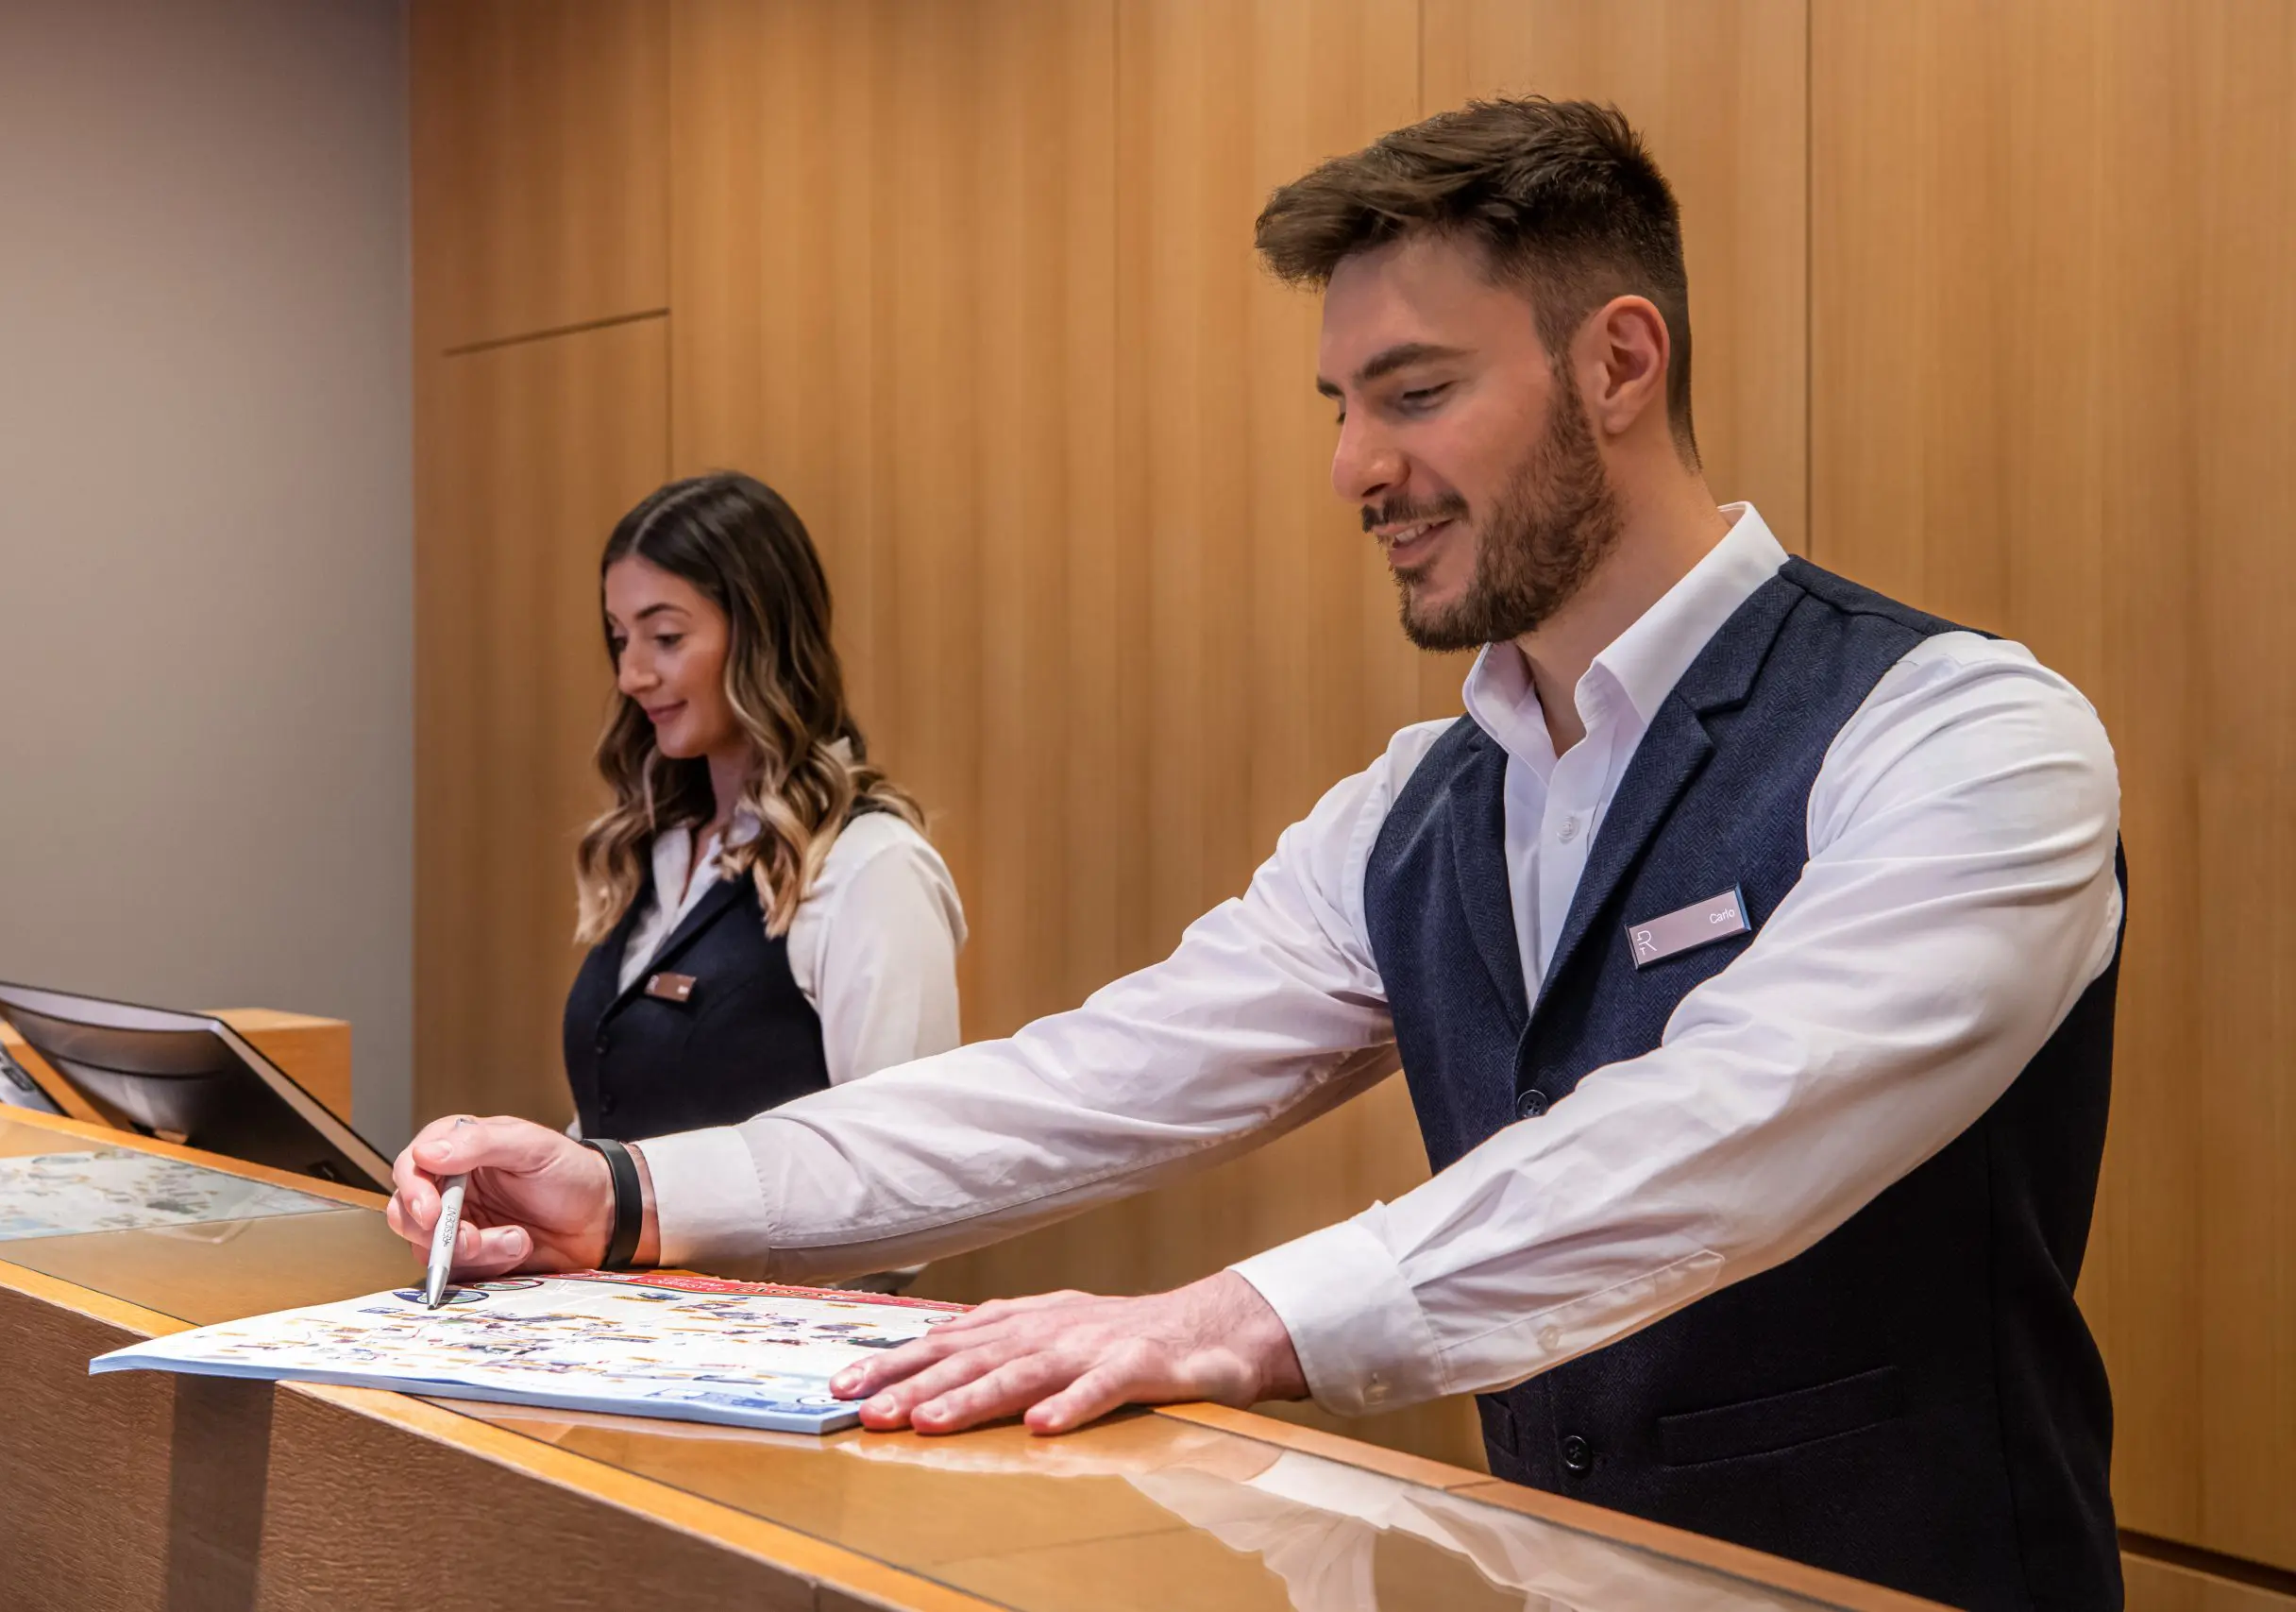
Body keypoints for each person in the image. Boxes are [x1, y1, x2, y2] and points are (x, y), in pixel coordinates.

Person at [388, 100, 2122, 1611]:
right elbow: (1095, 1080)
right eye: (1339, 402)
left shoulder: (1963, 735)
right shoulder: (1413, 803)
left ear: (1619, 360)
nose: (1359, 467)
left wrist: (1231, 1315)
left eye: (1416, 392)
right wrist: (635, 1193)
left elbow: (1733, 1123)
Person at [557, 470, 964, 1152]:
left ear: (761, 635)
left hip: (767, 1267)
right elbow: (624, 1120)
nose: (631, 676)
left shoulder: (872, 868)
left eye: (665, 637)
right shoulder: (662, 851)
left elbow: (907, 1174)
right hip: (604, 1264)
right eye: (620, 637)